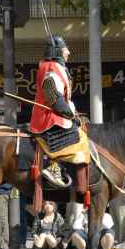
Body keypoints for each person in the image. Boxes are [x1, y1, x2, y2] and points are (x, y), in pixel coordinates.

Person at [29, 35, 90, 205]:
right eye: (65, 50)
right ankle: (54, 167)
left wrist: (74, 113)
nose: (68, 52)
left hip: (57, 112)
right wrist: (69, 115)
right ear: (57, 51)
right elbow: (53, 96)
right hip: (49, 117)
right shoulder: (51, 67)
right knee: (76, 137)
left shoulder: (57, 67)